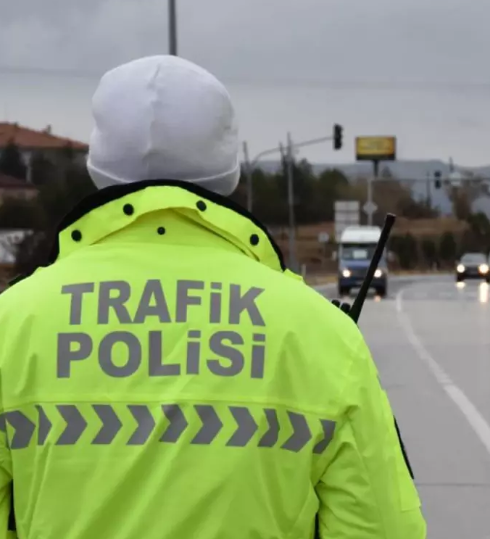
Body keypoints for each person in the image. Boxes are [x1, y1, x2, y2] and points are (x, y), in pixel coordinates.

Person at [0, 55, 426, 539]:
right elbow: (384, 528)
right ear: (230, 170)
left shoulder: (12, 324)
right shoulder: (321, 335)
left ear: (97, 166)